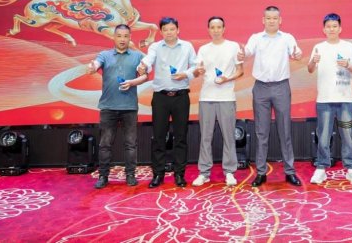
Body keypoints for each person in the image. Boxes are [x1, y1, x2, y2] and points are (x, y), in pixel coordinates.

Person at [240, 6, 303, 187]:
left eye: (275, 18)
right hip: (260, 88)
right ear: (263, 20)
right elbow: (247, 52)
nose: (272, 21)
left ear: (280, 20)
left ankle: (289, 172)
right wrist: (242, 53)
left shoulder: (287, 38)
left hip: (281, 87)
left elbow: (296, 53)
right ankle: (261, 173)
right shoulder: (256, 38)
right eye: (268, 18)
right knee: (261, 132)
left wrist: (298, 54)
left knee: (285, 130)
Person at [87, 24, 148, 189]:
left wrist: (133, 82)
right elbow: (95, 64)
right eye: (119, 36)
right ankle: (103, 176)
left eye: (126, 36)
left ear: (130, 38)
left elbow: (145, 76)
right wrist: (92, 67)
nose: (122, 39)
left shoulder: (137, 56)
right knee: (105, 144)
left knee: (130, 144)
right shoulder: (104, 55)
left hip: (129, 107)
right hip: (108, 106)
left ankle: (130, 175)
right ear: (114, 37)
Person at [138, 17, 196, 188]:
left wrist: (185, 74)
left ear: (178, 30)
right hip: (161, 98)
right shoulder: (155, 47)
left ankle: (179, 174)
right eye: (165, 29)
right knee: (158, 137)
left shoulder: (187, 46)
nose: (169, 32)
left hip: (181, 96)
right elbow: (148, 61)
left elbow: (196, 67)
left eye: (172, 29)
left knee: (181, 137)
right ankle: (158, 174)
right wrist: (143, 67)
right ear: (161, 31)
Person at [307, 13, 352, 185]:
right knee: (323, 136)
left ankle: (351, 168)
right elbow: (310, 69)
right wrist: (313, 61)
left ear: (340, 28)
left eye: (334, 26)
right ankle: (321, 168)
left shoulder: (348, 47)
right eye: (328, 27)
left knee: (347, 135)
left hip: (345, 99)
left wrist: (348, 65)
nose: (331, 29)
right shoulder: (318, 47)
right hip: (324, 100)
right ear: (324, 29)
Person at [191, 16, 244, 187]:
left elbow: (240, 71)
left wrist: (227, 79)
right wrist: (198, 71)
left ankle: (229, 172)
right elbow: (197, 72)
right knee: (205, 137)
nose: (216, 30)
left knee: (229, 136)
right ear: (208, 29)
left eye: (219, 27)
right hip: (206, 97)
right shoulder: (203, 49)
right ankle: (204, 173)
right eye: (212, 27)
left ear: (224, 28)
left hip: (226, 97)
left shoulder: (233, 46)